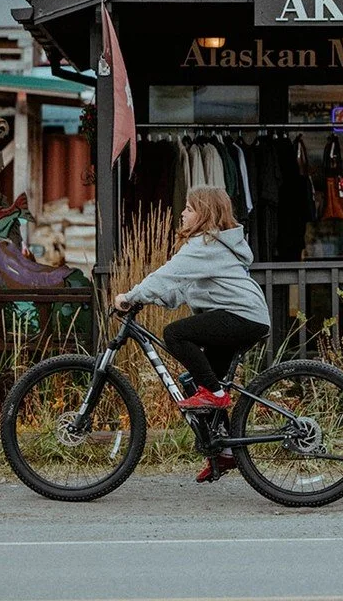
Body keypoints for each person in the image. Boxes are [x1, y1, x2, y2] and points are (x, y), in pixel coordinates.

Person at [115, 186, 271, 482]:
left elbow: (167, 274)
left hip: (241, 317)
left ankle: (214, 394)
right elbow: (177, 290)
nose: (183, 213)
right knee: (197, 379)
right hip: (244, 317)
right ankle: (224, 452)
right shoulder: (209, 248)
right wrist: (146, 298)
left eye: (188, 208)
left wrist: (131, 295)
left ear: (204, 213)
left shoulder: (206, 243)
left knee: (174, 335)